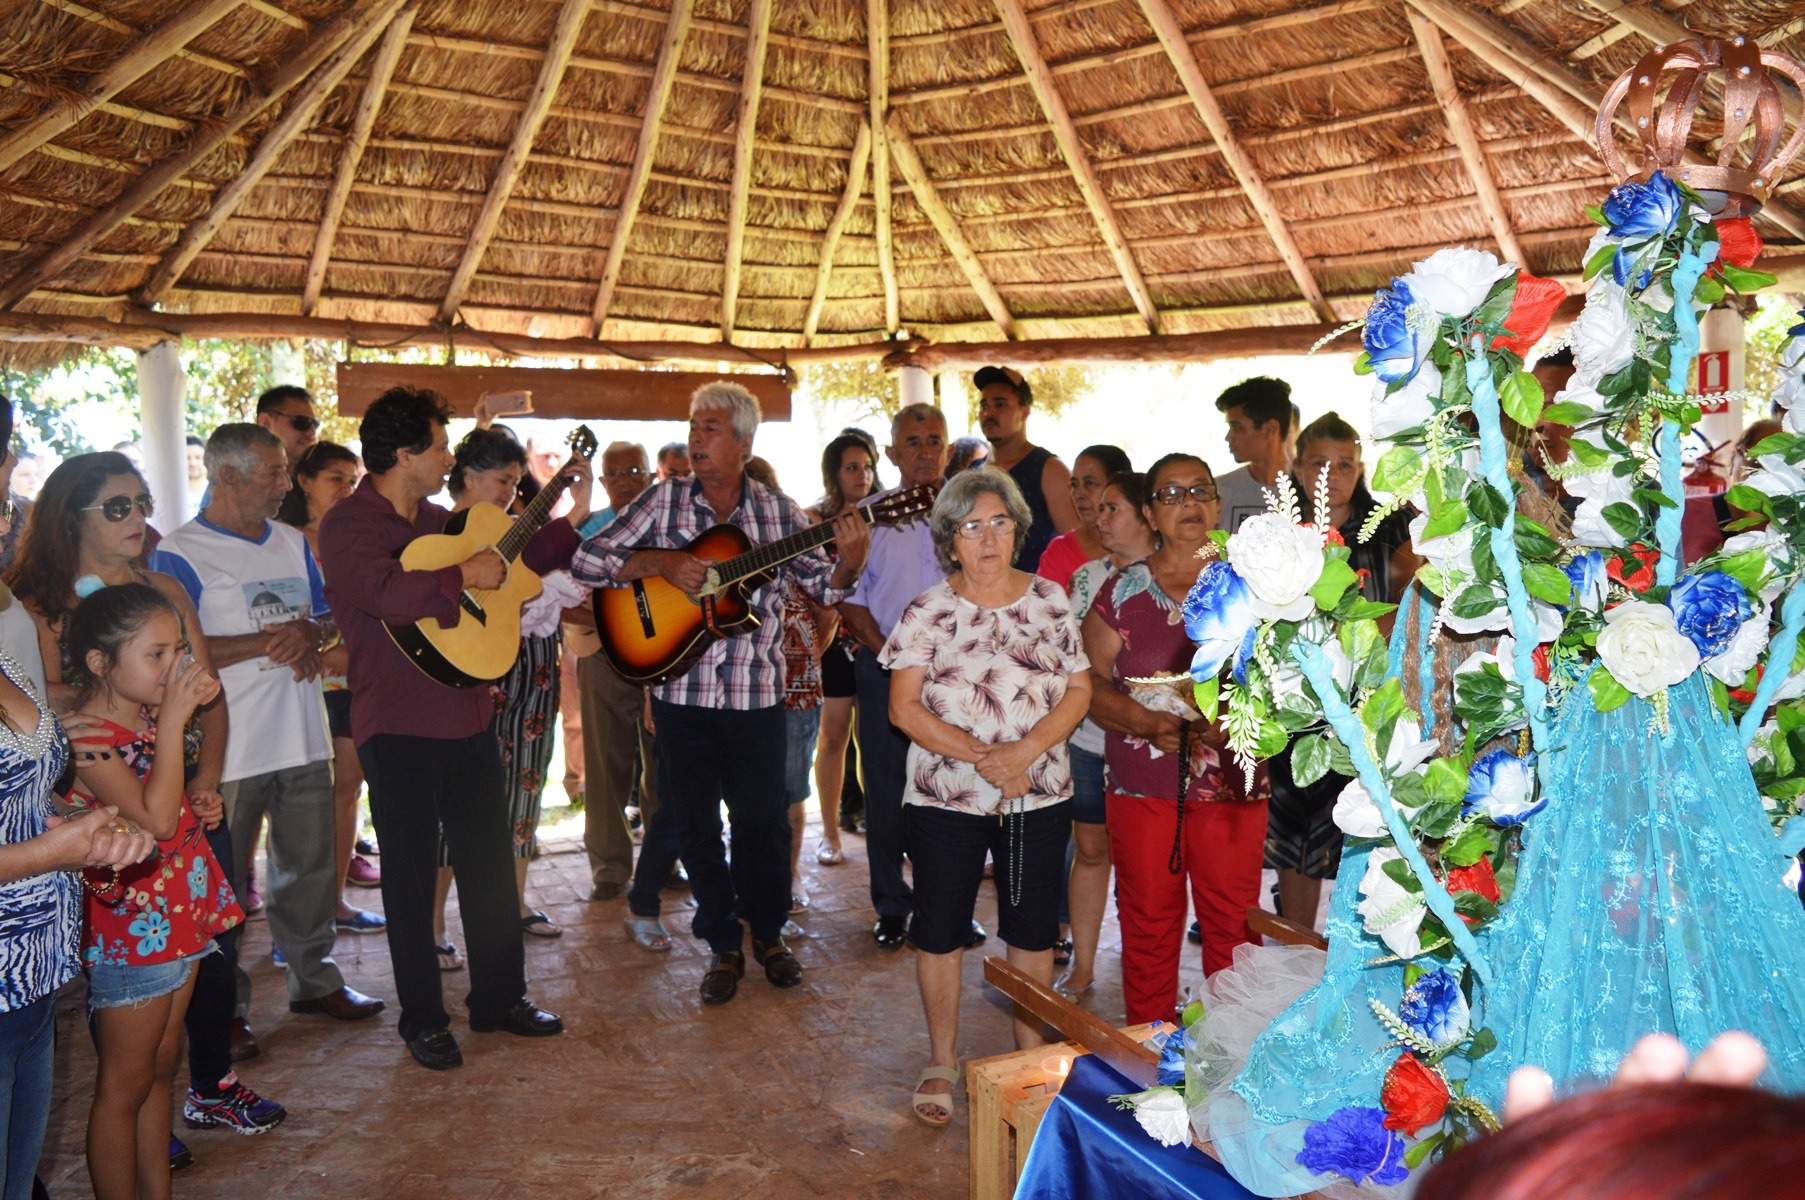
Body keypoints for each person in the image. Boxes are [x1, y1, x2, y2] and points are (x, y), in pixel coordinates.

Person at [3, 451, 280, 1135]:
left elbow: (203, 695)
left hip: (178, 795)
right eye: (118, 506)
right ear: (72, 515)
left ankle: (205, 1087)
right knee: (128, 1025)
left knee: (204, 971)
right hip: (108, 811)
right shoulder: (36, 605)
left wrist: (205, 779)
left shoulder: (165, 590)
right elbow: (53, 715)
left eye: (143, 503)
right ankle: (130, 1126)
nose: (138, 519)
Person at [571, 381, 869, 1006]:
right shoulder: (664, 501)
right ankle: (721, 944)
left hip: (757, 698)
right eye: (693, 426)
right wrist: (659, 564)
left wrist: (850, 560)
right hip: (684, 696)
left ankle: (767, 934)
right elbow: (589, 559)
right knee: (697, 827)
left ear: (742, 441)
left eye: (709, 428)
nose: (695, 438)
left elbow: (826, 585)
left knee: (762, 825)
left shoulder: (778, 512)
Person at [317, 386, 568, 1071]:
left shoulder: (444, 518)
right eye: (438, 444)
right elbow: (385, 594)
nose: (450, 456)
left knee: (488, 864)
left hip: (466, 712)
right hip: (393, 722)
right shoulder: (349, 526)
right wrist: (464, 574)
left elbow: (508, 575)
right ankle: (422, 1019)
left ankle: (499, 1000)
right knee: (407, 872)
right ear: (404, 455)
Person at [149, 425, 385, 1032]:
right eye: (274, 473)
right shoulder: (180, 552)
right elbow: (170, 652)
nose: (286, 483)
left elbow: (326, 615)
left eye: (285, 471)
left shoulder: (289, 541)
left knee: (307, 868)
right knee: (221, 884)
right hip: (225, 749)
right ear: (226, 476)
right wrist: (270, 642)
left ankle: (314, 979)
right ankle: (222, 1009)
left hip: (302, 734)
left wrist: (313, 633)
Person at [882, 468, 1091, 1126]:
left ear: (1018, 530)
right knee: (939, 931)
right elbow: (902, 709)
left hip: (1037, 794)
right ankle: (941, 1060)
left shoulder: (1051, 600)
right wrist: (986, 757)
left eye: (999, 522)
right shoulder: (927, 610)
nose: (987, 537)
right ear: (949, 542)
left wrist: (1023, 754)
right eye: (971, 527)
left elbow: (1080, 690)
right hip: (946, 798)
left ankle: (1026, 1063)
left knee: (1030, 930)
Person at [0, 395, 159, 1200]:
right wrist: (55, 850)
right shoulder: (37, 608)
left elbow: (25, 773)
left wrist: (74, 825)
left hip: (28, 967)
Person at [61, 584, 245, 1200]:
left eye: (179, 651)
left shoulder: (144, 718)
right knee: (123, 1086)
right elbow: (153, 822)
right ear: (99, 662)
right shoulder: (87, 734)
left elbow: (173, 807)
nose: (176, 668)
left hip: (180, 912)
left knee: (160, 1070)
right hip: (134, 928)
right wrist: (173, 722)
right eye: (158, 654)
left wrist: (204, 798)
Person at [1084, 453, 1268, 1025]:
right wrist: (1144, 722)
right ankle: (1149, 1057)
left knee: (1234, 929)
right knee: (1147, 924)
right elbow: (1084, 683)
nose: (1189, 502)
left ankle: (1231, 1060)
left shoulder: (1258, 586)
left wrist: (1219, 720)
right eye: (1171, 494)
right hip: (1141, 788)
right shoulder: (1120, 593)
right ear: (1149, 512)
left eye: (1200, 490)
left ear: (1216, 503)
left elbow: (1288, 679)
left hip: (1233, 784)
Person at [428, 427, 591, 958]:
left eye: (516, 482)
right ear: (468, 475)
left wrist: (577, 502)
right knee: (455, 798)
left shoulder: (520, 528)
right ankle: (434, 924)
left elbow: (550, 560)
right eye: (502, 481)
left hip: (535, 663)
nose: (508, 492)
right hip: (471, 667)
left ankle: (513, 905)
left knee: (525, 783)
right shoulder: (436, 531)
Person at [1265, 414, 1417, 927]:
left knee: (1365, 819)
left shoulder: (1391, 524)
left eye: (1345, 463)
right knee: (1294, 831)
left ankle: (1353, 947)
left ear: (1361, 466)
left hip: (1367, 694)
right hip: (1297, 695)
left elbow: (1408, 600)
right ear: (1297, 466)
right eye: (1318, 463)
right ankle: (1294, 946)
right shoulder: (1279, 530)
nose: (1331, 473)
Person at [839, 404, 958, 949]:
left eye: (934, 440)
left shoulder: (975, 512)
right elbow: (849, 600)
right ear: (891, 454)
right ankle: (891, 906)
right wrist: (893, 654)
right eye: (912, 442)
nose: (925, 451)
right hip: (883, 666)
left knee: (952, 792)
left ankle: (947, 906)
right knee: (885, 791)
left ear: (949, 450)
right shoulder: (864, 518)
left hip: (960, 675)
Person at [1054, 470, 1158, 1004]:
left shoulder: (1180, 576)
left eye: (1113, 508)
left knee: (1152, 864)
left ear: (1147, 516)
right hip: (1090, 740)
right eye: (1099, 508)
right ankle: (1083, 965)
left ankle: (1155, 974)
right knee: (1091, 850)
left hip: (1154, 748)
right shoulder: (1086, 578)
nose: (1100, 517)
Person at [275, 442, 382, 929]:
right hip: (297, 685)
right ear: (305, 481)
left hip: (353, 681)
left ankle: (335, 903)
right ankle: (295, 920)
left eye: (353, 480)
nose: (346, 488)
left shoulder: (362, 540)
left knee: (346, 793)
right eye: (335, 478)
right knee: (295, 805)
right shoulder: (284, 541)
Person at [571, 442, 668, 921]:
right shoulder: (586, 530)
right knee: (605, 764)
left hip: (664, 658)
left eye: (635, 469)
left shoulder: (670, 525)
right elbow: (563, 595)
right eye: (615, 473)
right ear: (604, 482)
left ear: (651, 476)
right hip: (601, 655)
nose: (626, 479)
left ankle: (662, 860)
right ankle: (610, 866)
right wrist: (613, 620)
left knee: (662, 765)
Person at [804, 434, 881, 866]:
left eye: (867, 466)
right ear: (834, 473)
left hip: (873, 638)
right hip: (832, 638)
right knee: (832, 738)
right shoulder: (814, 519)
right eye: (852, 467)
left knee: (876, 742)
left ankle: (888, 829)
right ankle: (830, 833)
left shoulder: (886, 514)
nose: (862, 475)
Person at [972, 366, 1075, 572]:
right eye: (984, 406)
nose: (989, 413)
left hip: (1035, 596)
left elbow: (1074, 544)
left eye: (1000, 404)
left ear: (1025, 411)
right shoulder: (972, 472)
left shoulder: (1049, 469)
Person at [1035, 445, 1131, 593]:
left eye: (1089, 483)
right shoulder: (1060, 552)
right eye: (1074, 484)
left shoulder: (1147, 545)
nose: (1079, 494)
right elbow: (1043, 611)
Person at [1214, 376, 1294, 534]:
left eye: (1237, 428)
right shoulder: (1219, 491)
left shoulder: (1309, 491)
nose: (1228, 437)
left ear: (1270, 429)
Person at [255, 386, 320, 469]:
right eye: (301, 422)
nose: (312, 432)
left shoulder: (323, 478)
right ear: (265, 423)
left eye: (315, 424)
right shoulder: (241, 477)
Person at [183, 435, 206, 523]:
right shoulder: (171, 495)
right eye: (187, 458)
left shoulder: (217, 493)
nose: (193, 463)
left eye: (198, 457)